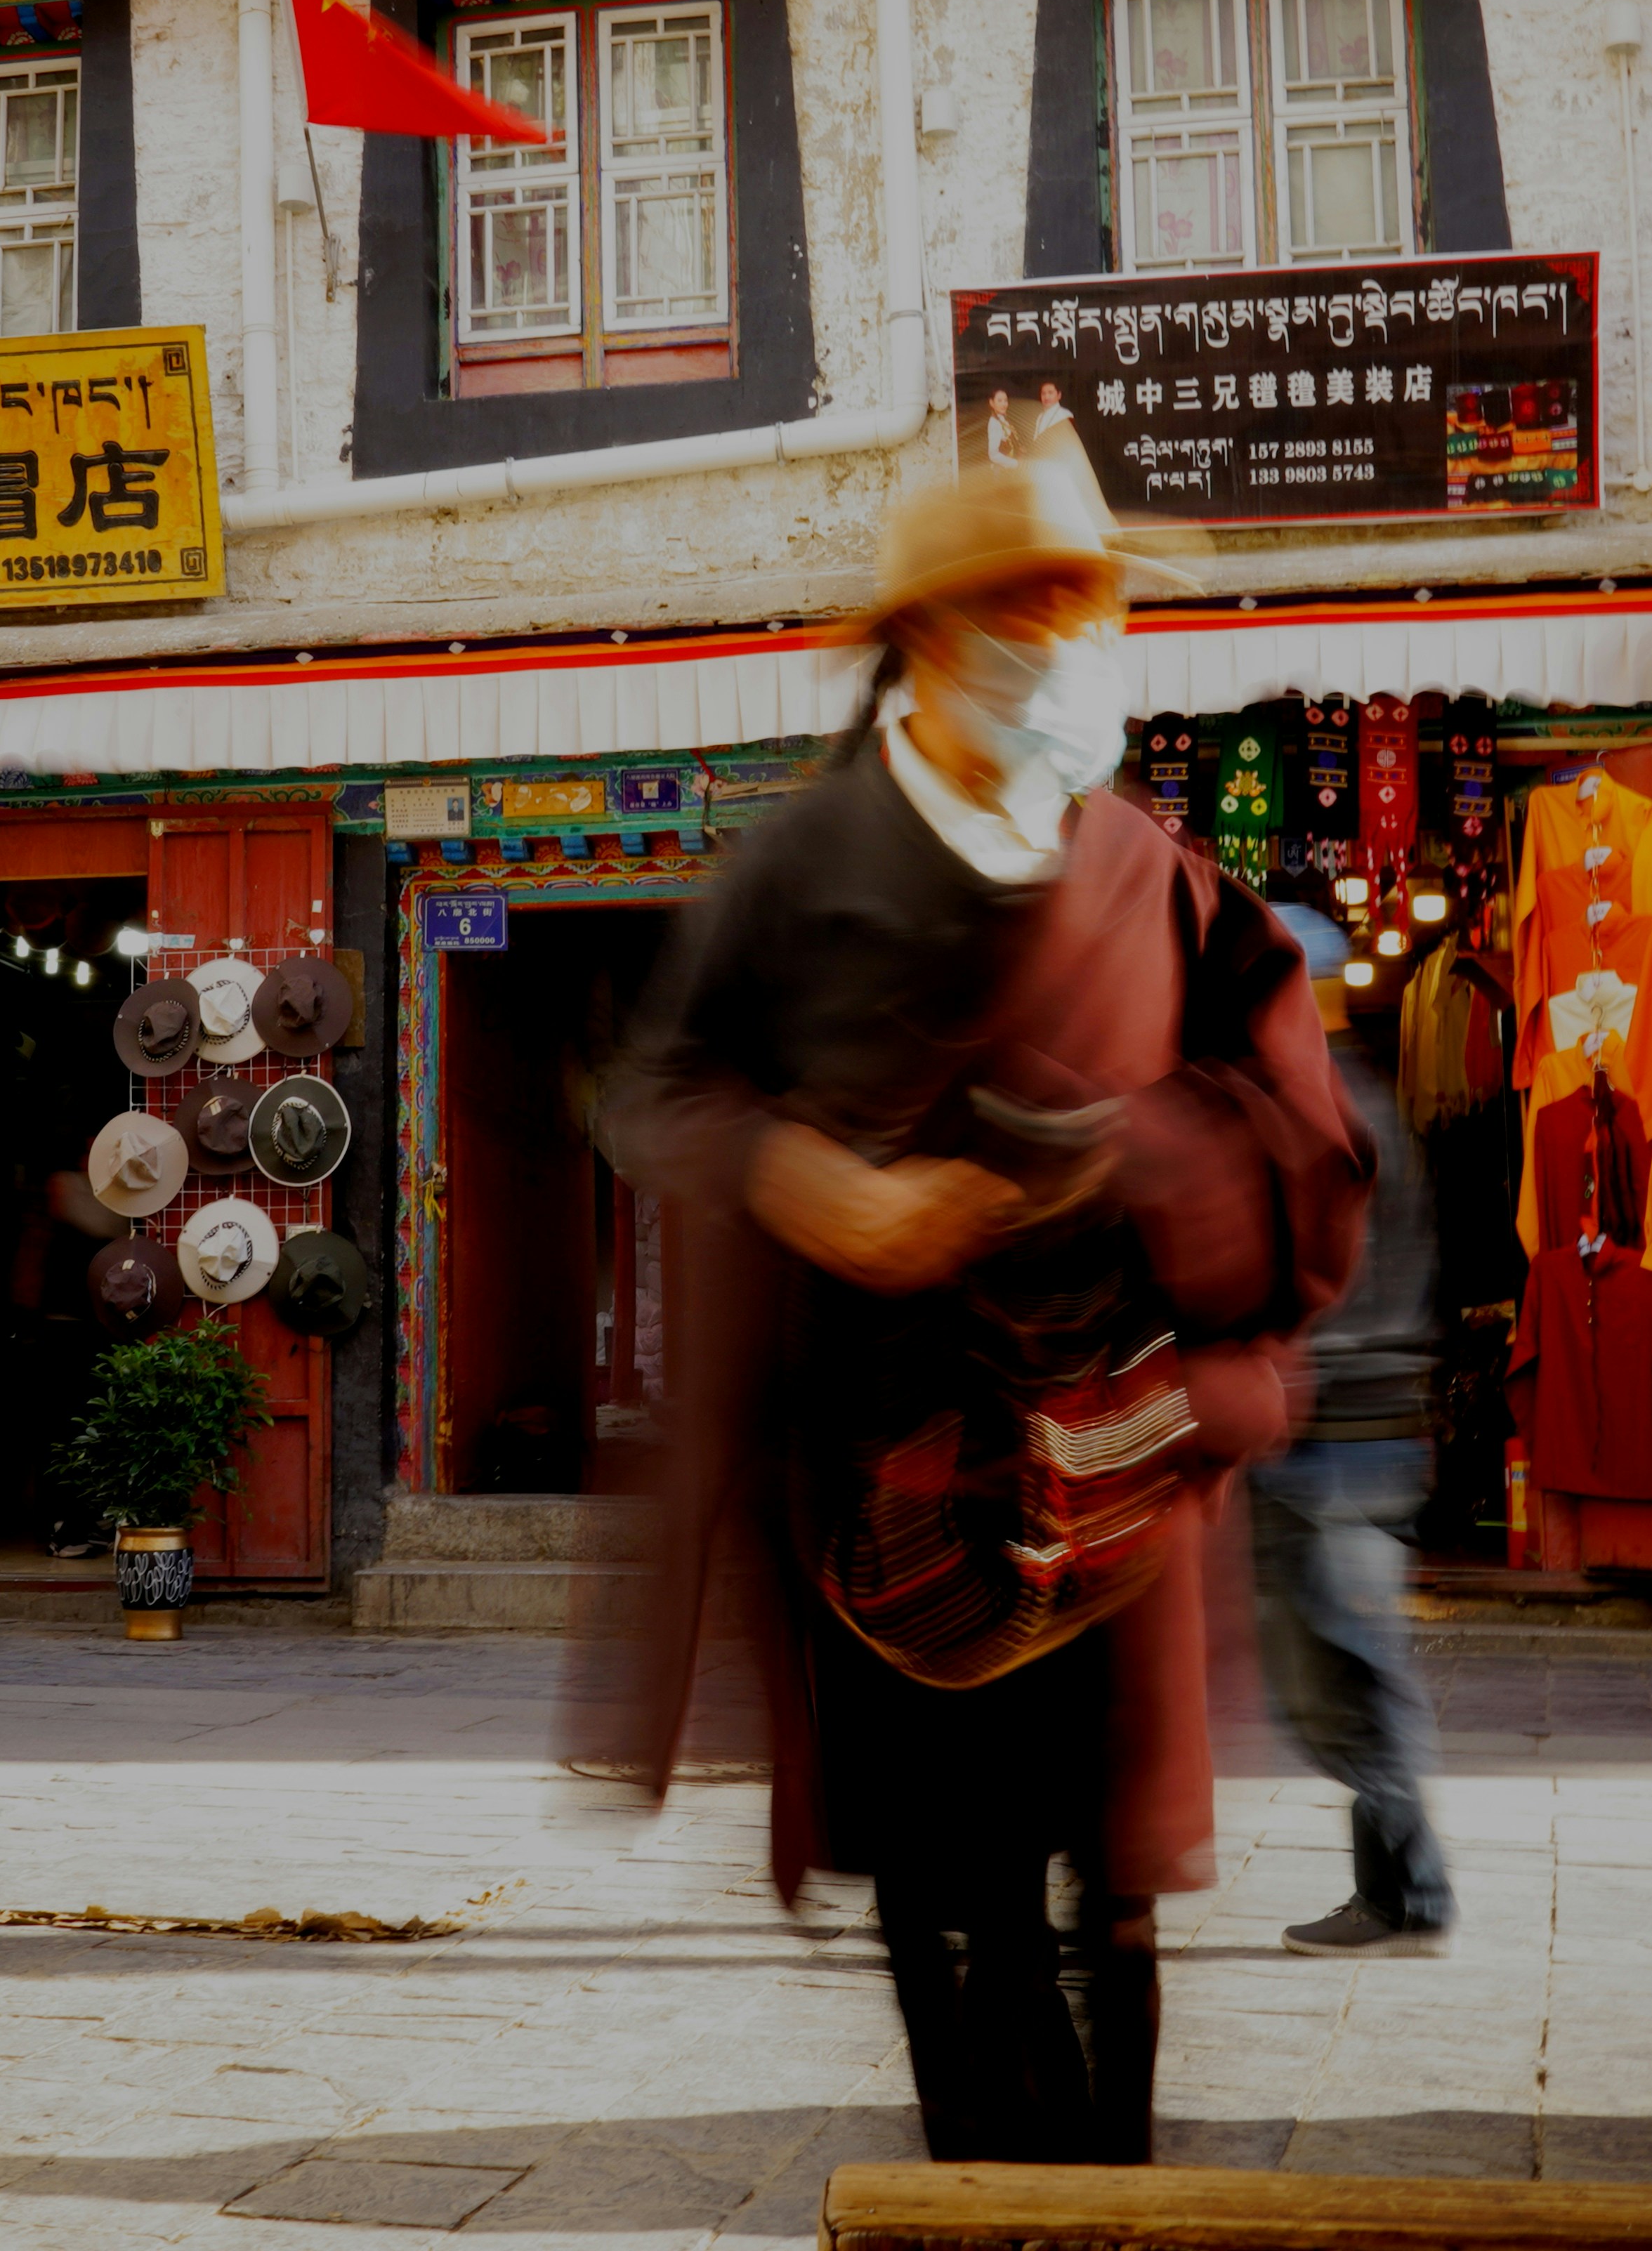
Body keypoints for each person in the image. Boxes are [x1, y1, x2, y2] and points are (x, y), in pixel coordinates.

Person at [596, 435, 1375, 2165]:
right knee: (946, 1900)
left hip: (1113, 1473)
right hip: (882, 1492)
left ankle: (1114, 2199)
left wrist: (1134, 1151)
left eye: (1088, 607)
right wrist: (806, 1177)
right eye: (1031, 609)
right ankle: (976, 2191)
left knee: (1114, 1902)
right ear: (934, 639)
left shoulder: (1152, 870)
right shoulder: (804, 864)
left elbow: (1304, 1139)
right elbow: (660, 1089)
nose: (1068, 644)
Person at [1250, 911, 1453, 1956]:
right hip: (1356, 1431)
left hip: (1341, 1437)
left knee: (1344, 1669)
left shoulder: (1328, 1112)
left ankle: (1407, 1891)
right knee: (1342, 1666)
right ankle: (1402, 1890)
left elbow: (1338, 1289)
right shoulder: (1349, 1101)